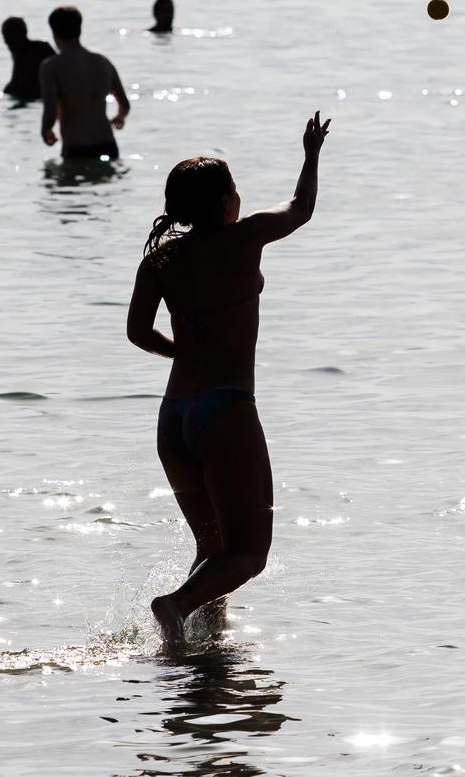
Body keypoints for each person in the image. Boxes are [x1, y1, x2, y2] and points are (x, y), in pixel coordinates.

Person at [127, 112, 331, 648]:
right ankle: (174, 608)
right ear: (224, 202)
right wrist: (310, 155)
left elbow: (136, 332)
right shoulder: (246, 238)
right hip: (226, 412)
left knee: (213, 548)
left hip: (175, 416)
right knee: (248, 554)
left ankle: (201, 647)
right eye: (235, 188)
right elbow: (301, 208)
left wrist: (181, 354)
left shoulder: (161, 258)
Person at [40, 5, 130, 160]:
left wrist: (46, 130)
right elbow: (125, 104)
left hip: (76, 147)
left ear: (54, 32)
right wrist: (119, 118)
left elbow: (50, 111)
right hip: (107, 144)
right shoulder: (102, 61)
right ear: (79, 29)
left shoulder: (51, 67)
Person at [0, 16, 54, 100]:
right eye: (5, 36)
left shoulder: (39, 49)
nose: (6, 42)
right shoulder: (19, 53)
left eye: (9, 36)